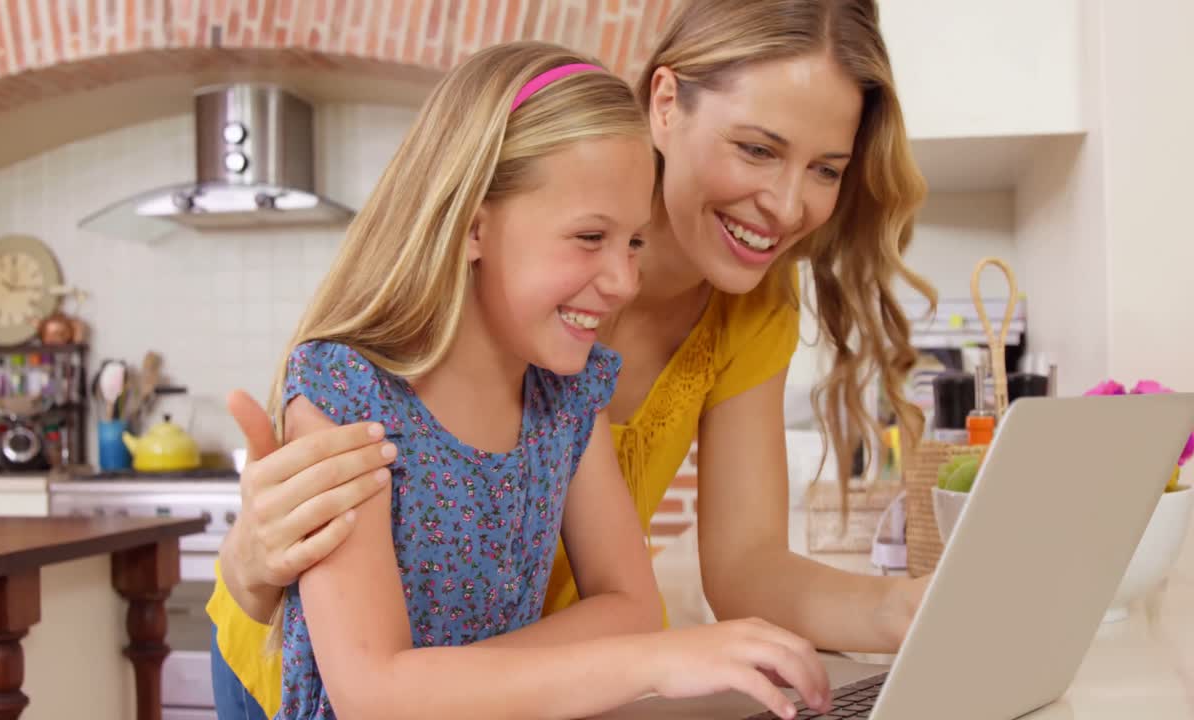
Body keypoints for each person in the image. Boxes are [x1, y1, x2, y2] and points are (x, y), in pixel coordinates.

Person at [212, 0, 935, 712]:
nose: (785, 205)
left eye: (826, 168)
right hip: (281, 673)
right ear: (665, 102)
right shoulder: (369, 382)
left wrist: (911, 609)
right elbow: (373, 687)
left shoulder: (582, 375)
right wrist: (635, 658)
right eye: (757, 148)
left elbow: (722, 573)